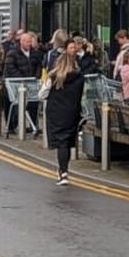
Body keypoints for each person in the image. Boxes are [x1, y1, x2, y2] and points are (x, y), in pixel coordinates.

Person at [45, 49, 86, 185]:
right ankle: (64, 171)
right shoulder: (80, 78)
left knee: (61, 143)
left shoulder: (53, 76)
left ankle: (63, 173)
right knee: (67, 142)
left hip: (56, 112)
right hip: (72, 112)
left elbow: (42, 94)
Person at [3, 32, 44, 136]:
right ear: (21, 42)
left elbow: (39, 66)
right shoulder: (12, 53)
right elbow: (10, 68)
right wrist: (22, 79)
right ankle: (12, 126)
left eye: (30, 41)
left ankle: (33, 125)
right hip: (16, 84)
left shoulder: (35, 53)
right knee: (16, 106)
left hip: (31, 83)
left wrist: (36, 76)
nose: (29, 44)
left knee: (33, 104)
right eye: (26, 42)